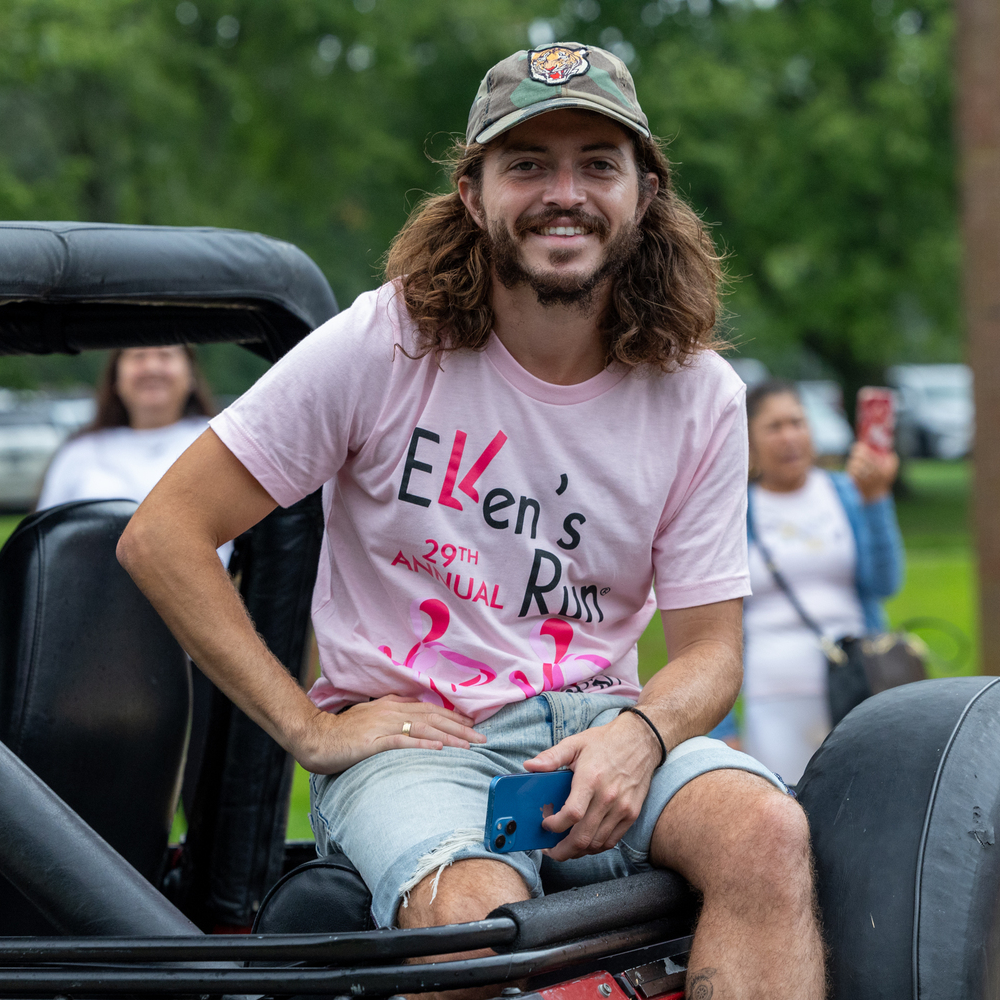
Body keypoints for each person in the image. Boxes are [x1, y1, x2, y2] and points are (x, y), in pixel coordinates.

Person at [119, 43, 822, 1000]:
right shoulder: (386, 343)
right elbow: (163, 532)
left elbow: (710, 653)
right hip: (423, 741)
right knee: (482, 919)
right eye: (527, 164)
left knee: (767, 832)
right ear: (473, 189)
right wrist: (309, 733)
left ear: (646, 193)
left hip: (606, 725)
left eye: (597, 165)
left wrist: (643, 734)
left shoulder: (699, 393)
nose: (562, 192)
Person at [742, 379, 903, 785]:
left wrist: (876, 499)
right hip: (772, 696)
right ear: (749, 441)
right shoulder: (737, 510)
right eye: (774, 427)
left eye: (797, 422)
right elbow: (713, 621)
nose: (789, 437)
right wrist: (722, 727)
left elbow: (885, 582)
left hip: (855, 689)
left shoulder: (846, 493)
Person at [37, 345, 218, 511]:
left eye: (165, 356)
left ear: (191, 373)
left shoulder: (220, 442)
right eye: (138, 356)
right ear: (115, 376)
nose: (151, 367)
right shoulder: (79, 451)